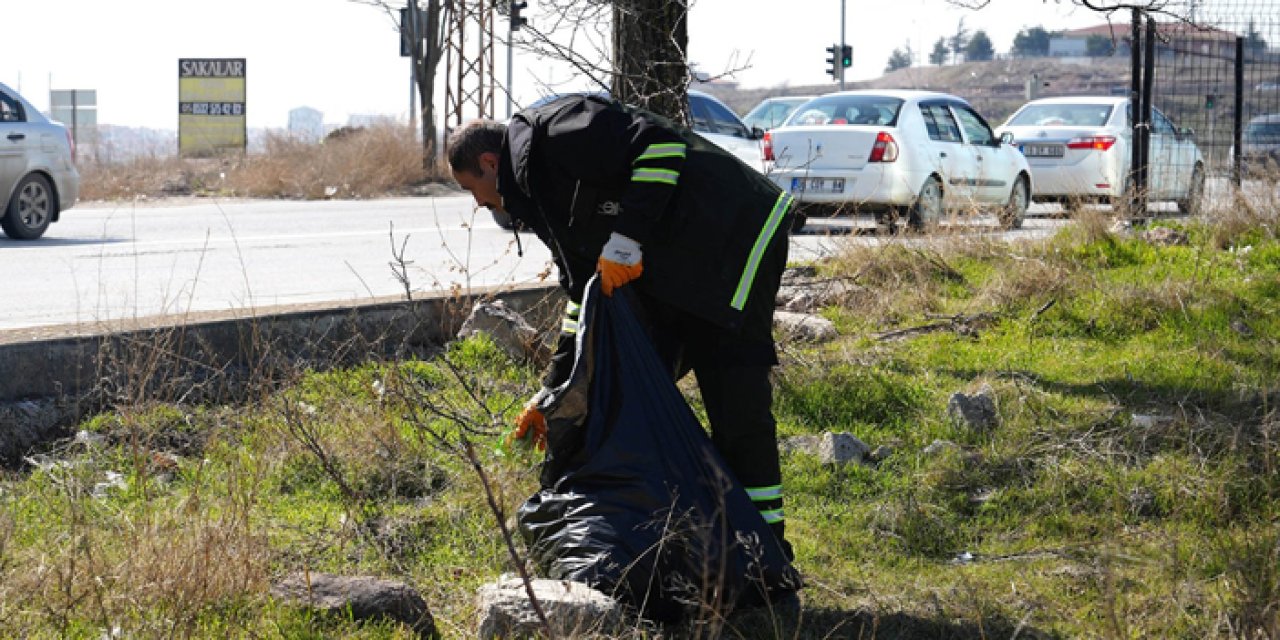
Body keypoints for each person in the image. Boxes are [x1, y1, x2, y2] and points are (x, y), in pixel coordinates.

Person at [447, 93, 797, 558]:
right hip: (684, 259)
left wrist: (627, 238)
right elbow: (582, 300)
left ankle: (765, 552)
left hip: (734, 233)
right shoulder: (538, 195)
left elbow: (662, 147)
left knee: (734, 394)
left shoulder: (555, 132)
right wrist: (552, 393)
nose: (479, 204)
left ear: (490, 163)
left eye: (474, 191)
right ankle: (678, 529)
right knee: (617, 390)